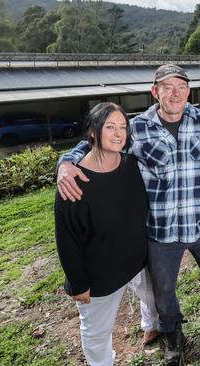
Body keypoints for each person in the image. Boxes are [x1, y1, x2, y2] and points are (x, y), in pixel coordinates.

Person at [56, 65, 200, 364]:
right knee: (163, 294)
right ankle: (173, 335)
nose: (174, 92)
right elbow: (95, 140)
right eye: (167, 87)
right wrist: (66, 162)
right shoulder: (136, 128)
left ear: (188, 91)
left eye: (180, 86)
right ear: (155, 92)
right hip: (160, 231)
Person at [54, 102, 160, 366]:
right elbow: (67, 240)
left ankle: (151, 325)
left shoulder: (131, 165)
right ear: (92, 131)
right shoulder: (74, 181)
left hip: (137, 262)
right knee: (97, 334)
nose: (118, 134)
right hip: (100, 275)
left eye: (123, 127)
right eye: (109, 127)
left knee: (153, 298)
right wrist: (79, 283)